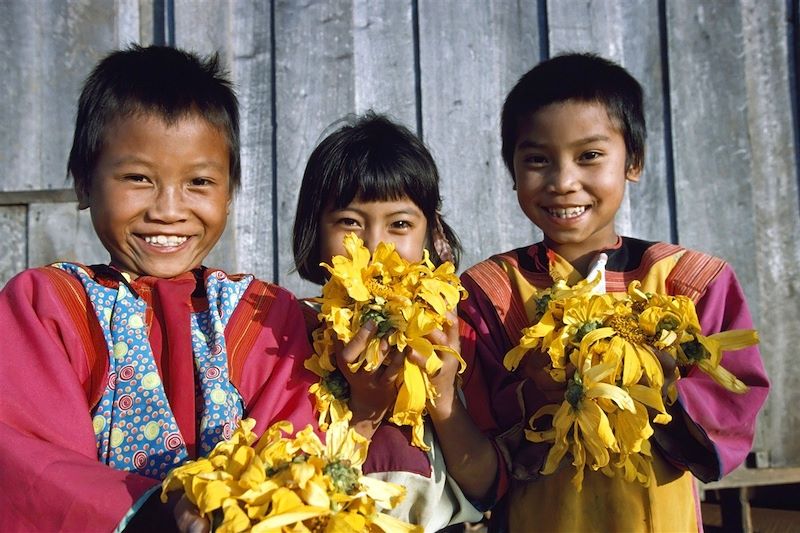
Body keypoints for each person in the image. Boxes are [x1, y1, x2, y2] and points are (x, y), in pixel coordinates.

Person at [0, 45, 318, 532]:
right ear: (85, 183)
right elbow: (25, 455)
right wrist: (153, 513)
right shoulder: (48, 307)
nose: (168, 209)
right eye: (138, 178)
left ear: (229, 193)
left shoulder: (263, 316)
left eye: (198, 182)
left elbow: (295, 445)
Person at [458, 53, 770, 532]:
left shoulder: (691, 281)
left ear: (635, 161)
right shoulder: (489, 292)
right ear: (512, 170)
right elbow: (470, 422)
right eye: (537, 159)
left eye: (589, 156)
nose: (563, 182)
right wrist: (533, 390)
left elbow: (733, 399)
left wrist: (661, 383)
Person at [292, 112, 506, 531]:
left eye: (400, 224)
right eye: (349, 222)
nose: (374, 246)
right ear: (314, 230)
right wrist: (364, 412)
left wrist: (442, 397)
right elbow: (295, 487)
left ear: (433, 233)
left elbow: (487, 487)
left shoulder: (454, 332)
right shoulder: (294, 333)